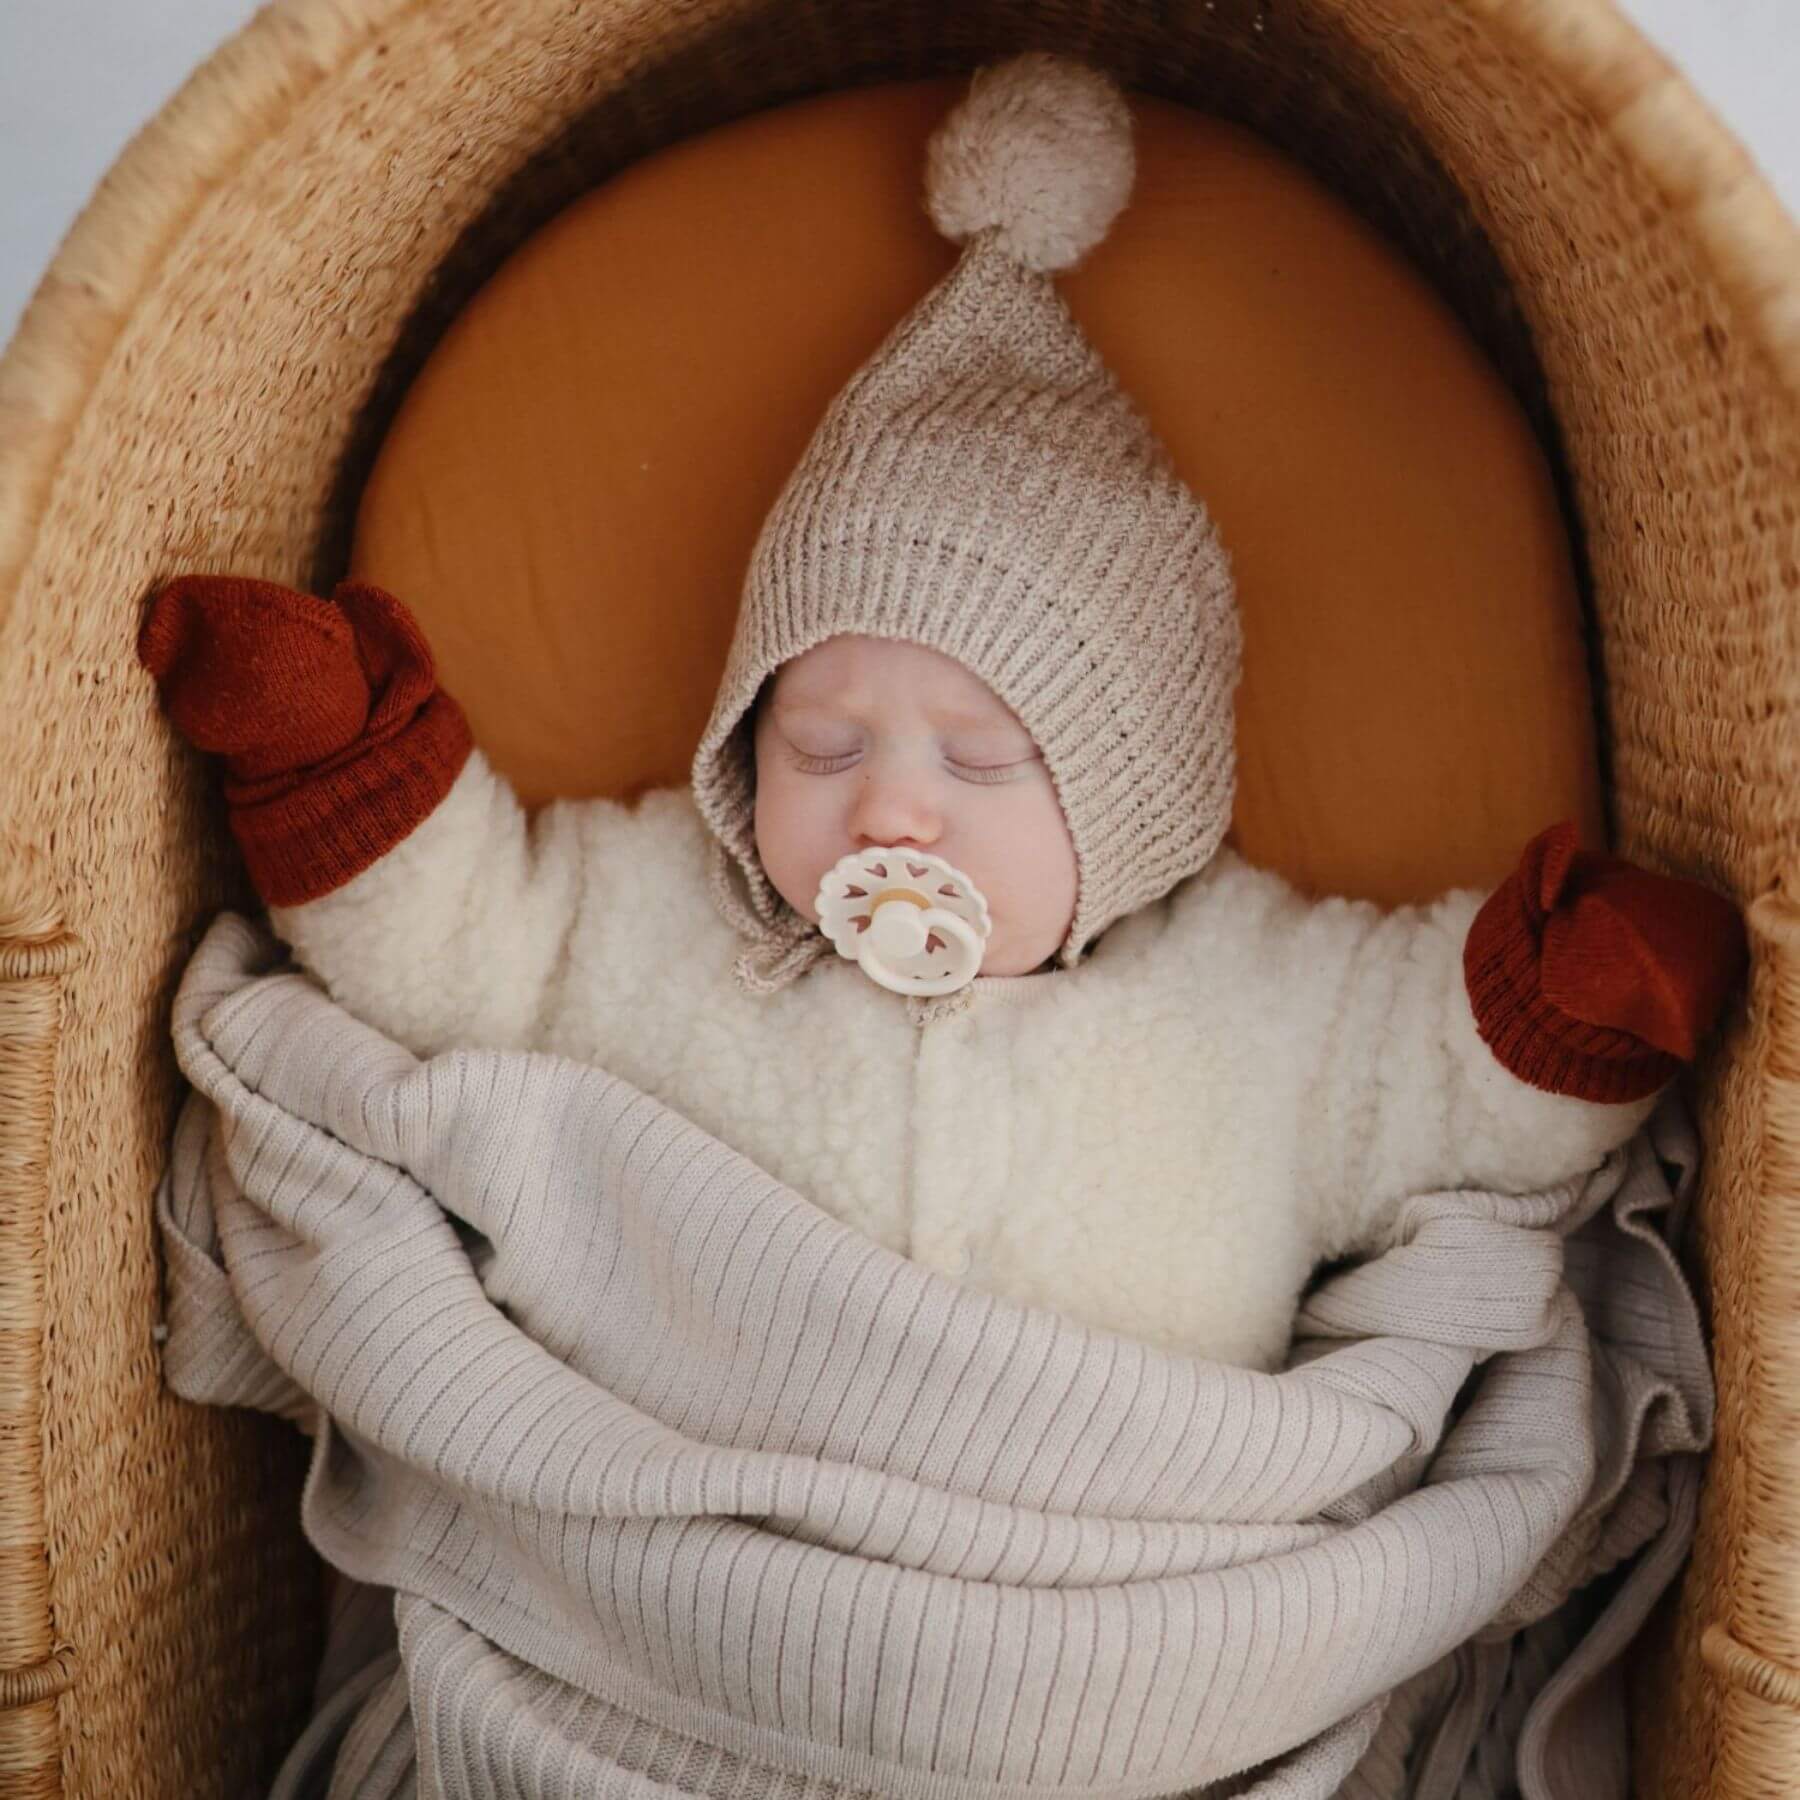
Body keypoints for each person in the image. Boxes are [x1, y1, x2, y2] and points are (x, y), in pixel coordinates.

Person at [135, 51, 1747, 1373]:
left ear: (1134, 808)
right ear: (738, 744)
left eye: (984, 763)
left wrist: (1572, 1002)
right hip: (702, 1561)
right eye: (821, 746)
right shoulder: (667, 929)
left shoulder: (1249, 1005)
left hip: (1103, 1576)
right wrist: (335, 750)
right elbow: (465, 945)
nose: (893, 815)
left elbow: (1435, 1082)